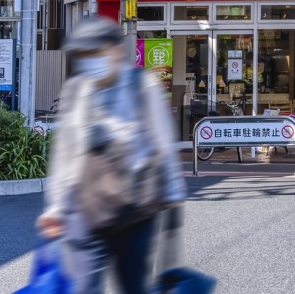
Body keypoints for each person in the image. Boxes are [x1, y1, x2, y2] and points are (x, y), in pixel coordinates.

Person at [38, 17, 187, 294]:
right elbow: (65, 152)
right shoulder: (76, 89)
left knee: (134, 285)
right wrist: (56, 206)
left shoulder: (142, 86)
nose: (88, 62)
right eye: (83, 56)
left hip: (136, 209)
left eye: (94, 53)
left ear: (115, 50)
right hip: (86, 208)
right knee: (83, 287)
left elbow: (164, 146)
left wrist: (174, 199)